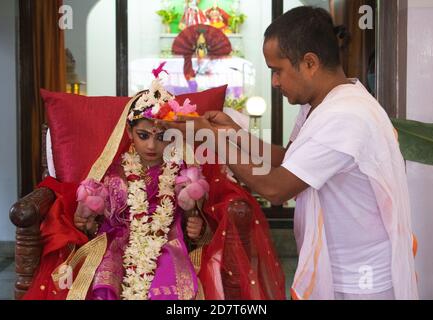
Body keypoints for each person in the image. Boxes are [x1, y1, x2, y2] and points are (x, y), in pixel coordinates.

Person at [165, 7, 418, 300]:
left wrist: (211, 139)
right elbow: (290, 160)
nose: (274, 82)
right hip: (342, 271)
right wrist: (233, 133)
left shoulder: (347, 115)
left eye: (277, 70)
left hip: (362, 281)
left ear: (309, 62)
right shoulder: (322, 103)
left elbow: (276, 188)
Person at [23, 67, 285, 300]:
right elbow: (95, 225)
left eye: (161, 136)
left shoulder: (185, 173)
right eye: (143, 135)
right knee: (103, 283)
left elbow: (201, 223)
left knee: (169, 287)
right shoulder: (115, 173)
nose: (151, 145)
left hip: (168, 245)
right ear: (129, 133)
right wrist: (87, 222)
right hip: (116, 249)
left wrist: (199, 228)